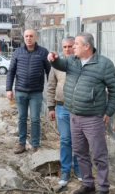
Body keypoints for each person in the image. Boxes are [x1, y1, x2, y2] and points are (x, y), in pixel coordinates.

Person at [48, 32, 115, 194]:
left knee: (99, 154)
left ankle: (103, 187)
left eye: (76, 45)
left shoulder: (104, 64)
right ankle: (88, 184)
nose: (72, 47)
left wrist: (109, 111)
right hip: (74, 115)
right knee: (80, 152)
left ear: (87, 46)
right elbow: (59, 64)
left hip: (93, 117)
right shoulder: (72, 60)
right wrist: (54, 58)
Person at [6, 29, 50, 154]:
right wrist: (9, 89)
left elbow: (49, 72)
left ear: (36, 37)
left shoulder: (43, 52)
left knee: (35, 118)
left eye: (31, 36)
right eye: (26, 36)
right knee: (21, 118)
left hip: (36, 92)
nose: (28, 38)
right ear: (23, 38)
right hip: (20, 91)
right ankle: (21, 143)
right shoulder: (18, 52)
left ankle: (35, 144)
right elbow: (11, 72)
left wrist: (50, 90)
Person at [47, 36, 82, 186]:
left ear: (75, 46)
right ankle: (66, 170)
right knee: (65, 140)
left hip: (79, 108)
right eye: (65, 47)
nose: (67, 49)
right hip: (62, 107)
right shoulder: (56, 64)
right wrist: (51, 107)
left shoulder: (81, 63)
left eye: (70, 46)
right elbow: (51, 86)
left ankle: (80, 169)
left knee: (79, 141)